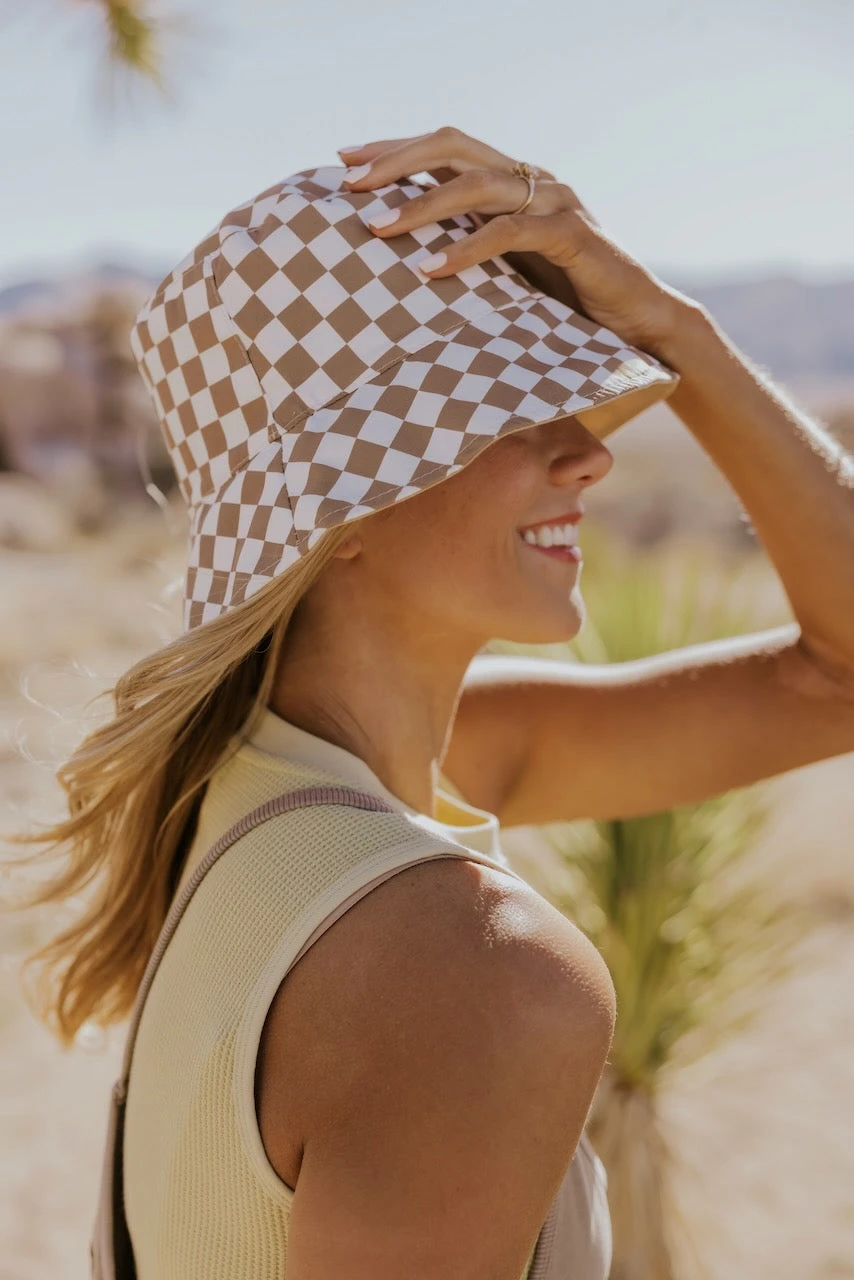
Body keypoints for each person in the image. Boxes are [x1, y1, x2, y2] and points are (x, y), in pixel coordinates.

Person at [10, 126, 854, 1280]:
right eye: (504, 417)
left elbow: (836, 676)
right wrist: (670, 331)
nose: (588, 456)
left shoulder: (251, 781)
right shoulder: (471, 969)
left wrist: (672, 325)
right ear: (339, 511)